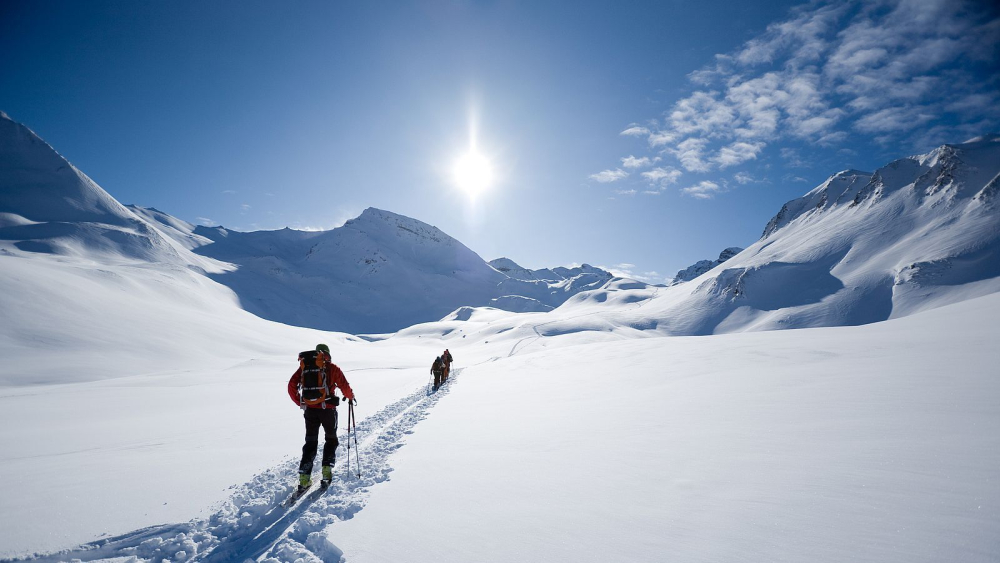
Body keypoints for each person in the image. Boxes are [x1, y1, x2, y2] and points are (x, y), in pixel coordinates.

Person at [288, 343, 355, 491]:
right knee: (331, 439)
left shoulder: (305, 367)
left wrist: (301, 402)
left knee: (310, 442)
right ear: (328, 354)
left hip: (310, 411)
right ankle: (326, 471)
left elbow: (291, 385)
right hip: (328, 410)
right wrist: (350, 396)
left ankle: (304, 478)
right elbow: (344, 386)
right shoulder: (332, 368)